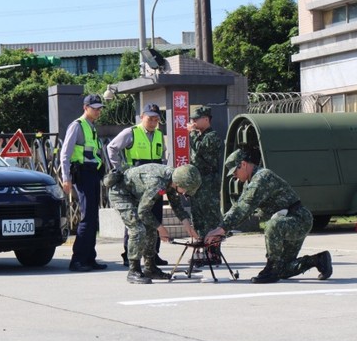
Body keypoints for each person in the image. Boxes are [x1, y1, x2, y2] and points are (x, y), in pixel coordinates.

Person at [204, 148, 332, 283]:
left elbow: (244, 208)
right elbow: (238, 206)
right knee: (282, 270)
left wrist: (222, 228)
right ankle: (318, 260)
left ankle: (270, 269)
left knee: (272, 226)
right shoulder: (252, 181)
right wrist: (220, 229)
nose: (234, 176)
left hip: (297, 220)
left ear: (243, 164)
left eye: (235, 171)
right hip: (289, 221)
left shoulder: (262, 178)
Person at [105, 164, 201, 284]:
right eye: (185, 190)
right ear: (178, 183)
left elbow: (176, 205)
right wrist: (161, 229)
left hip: (134, 195)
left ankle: (150, 268)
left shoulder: (173, 179)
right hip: (120, 195)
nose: (185, 194)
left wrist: (188, 226)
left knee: (151, 228)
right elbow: (143, 212)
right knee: (138, 230)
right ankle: (133, 270)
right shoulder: (158, 183)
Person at [106, 103, 168, 267]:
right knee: (136, 219)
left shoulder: (159, 135)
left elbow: (162, 156)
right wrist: (118, 168)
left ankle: (153, 254)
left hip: (155, 182)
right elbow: (111, 147)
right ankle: (129, 254)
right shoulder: (131, 132)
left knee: (155, 216)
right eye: (150, 118)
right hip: (136, 183)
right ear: (142, 117)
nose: (153, 122)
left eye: (156, 119)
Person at [59, 94, 108, 272]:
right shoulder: (77, 126)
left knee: (93, 217)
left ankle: (89, 258)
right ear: (85, 107)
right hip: (82, 174)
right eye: (94, 108)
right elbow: (65, 154)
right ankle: (78, 260)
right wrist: (66, 178)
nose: (98, 111)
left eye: (99, 108)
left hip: (92, 174)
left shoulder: (91, 127)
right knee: (87, 217)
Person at [187, 105, 223, 266]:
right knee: (198, 217)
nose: (193, 121)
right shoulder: (199, 135)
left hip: (209, 182)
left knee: (211, 218)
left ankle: (214, 253)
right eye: (192, 119)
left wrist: (193, 134)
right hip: (198, 183)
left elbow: (201, 152)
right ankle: (201, 251)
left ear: (206, 119)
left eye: (196, 119)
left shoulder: (212, 136)